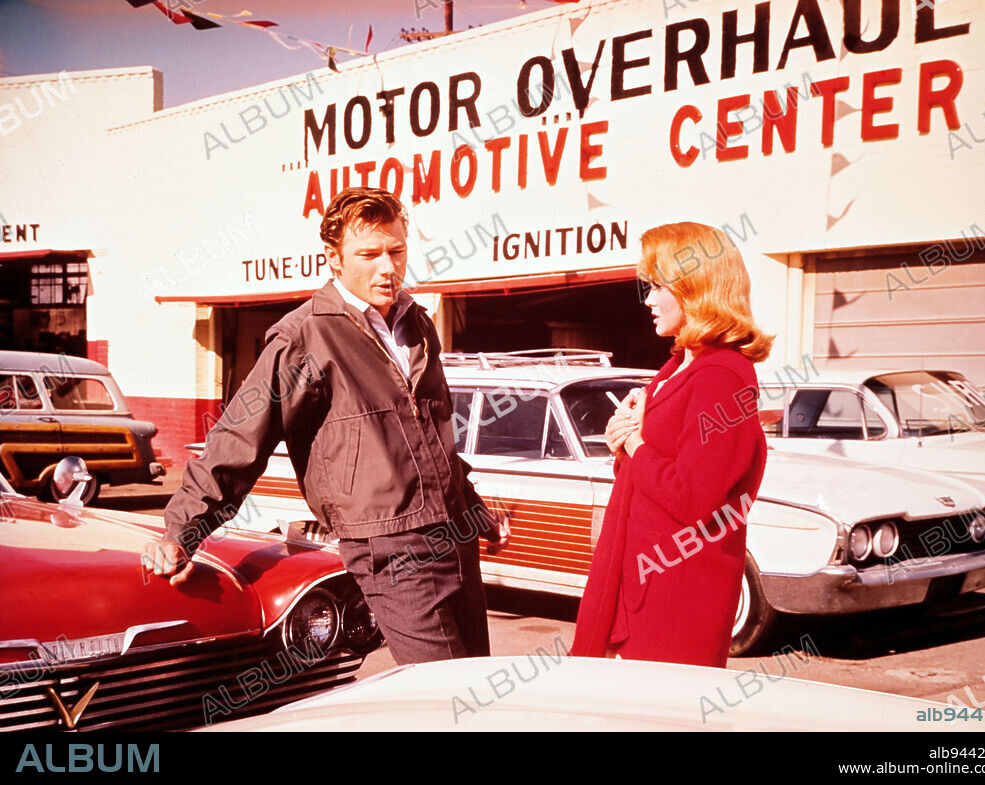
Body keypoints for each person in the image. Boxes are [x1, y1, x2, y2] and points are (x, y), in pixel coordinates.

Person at [141, 187, 509, 665]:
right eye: (370, 254)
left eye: (397, 251)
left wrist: (475, 510)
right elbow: (239, 436)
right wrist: (181, 532)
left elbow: (433, 440)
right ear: (334, 260)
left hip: (454, 537)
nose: (388, 267)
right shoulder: (303, 337)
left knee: (476, 685)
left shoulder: (416, 324)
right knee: (445, 694)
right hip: (390, 545)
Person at [571, 221, 773, 667]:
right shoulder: (677, 366)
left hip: (675, 594)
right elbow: (655, 472)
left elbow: (695, 496)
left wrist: (638, 445)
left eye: (658, 285)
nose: (648, 299)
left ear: (696, 287)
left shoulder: (722, 377)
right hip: (637, 582)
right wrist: (621, 445)